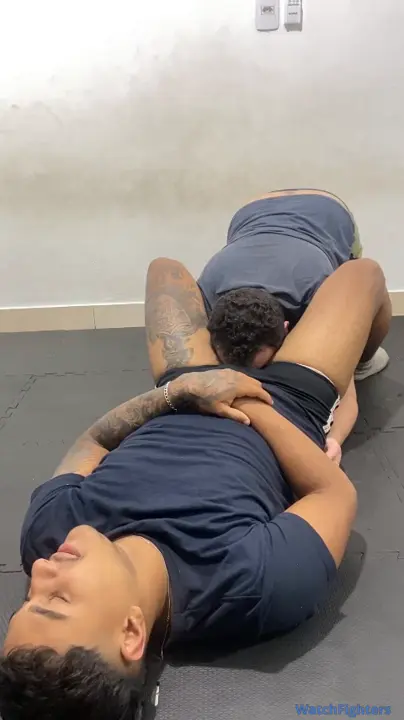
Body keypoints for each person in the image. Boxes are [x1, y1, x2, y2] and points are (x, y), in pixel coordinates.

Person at [0, 256, 391, 720]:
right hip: (289, 397)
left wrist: (178, 394)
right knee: (363, 274)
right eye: (56, 599)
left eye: (27, 599)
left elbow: (93, 442)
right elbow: (334, 495)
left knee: (163, 268)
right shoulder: (250, 586)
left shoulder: (49, 533)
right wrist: (245, 397)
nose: (41, 570)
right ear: (131, 632)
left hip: (184, 386)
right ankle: (360, 360)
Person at [198, 188, 391, 463]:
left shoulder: (317, 291)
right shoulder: (206, 293)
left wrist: (335, 440)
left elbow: (347, 393)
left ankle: (366, 363)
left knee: (365, 292)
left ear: (288, 328)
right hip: (252, 212)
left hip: (328, 213)